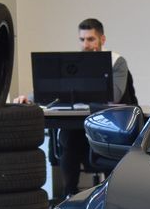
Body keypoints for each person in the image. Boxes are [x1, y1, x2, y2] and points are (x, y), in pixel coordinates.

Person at [15, 18, 137, 196]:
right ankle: (69, 194)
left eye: (91, 39)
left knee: (93, 140)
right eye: (82, 39)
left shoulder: (116, 62)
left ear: (102, 39)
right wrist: (30, 98)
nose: (86, 45)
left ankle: (111, 194)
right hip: (78, 126)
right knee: (68, 137)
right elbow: (54, 90)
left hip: (107, 123)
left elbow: (115, 95)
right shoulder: (74, 63)